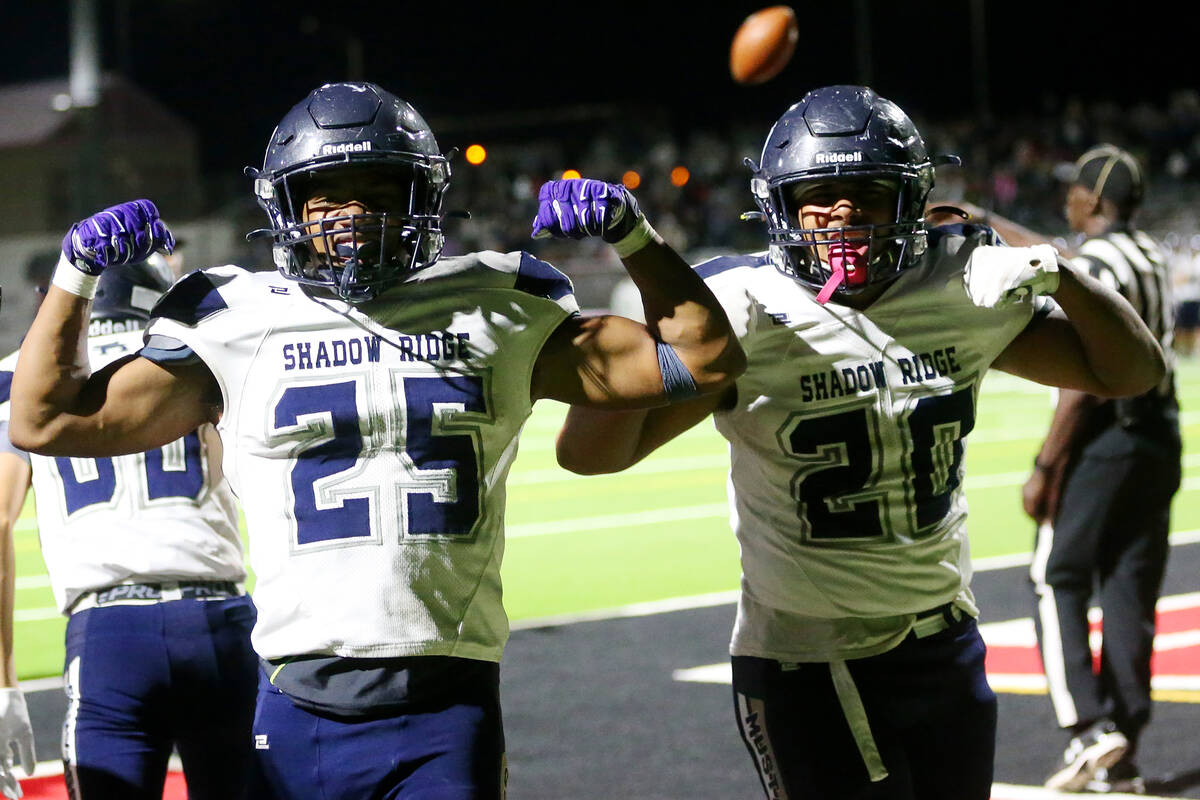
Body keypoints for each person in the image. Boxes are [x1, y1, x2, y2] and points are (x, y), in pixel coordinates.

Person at [7, 81, 744, 799]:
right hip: (298, 704)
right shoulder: (232, 318)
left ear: (423, 200)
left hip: (445, 703)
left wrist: (635, 238)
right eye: (327, 195)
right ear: (286, 205)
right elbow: (44, 421)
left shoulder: (500, 305)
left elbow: (707, 357)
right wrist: (73, 275)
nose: (352, 217)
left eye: (379, 193)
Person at [553, 86, 1165, 800]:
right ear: (779, 204)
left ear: (909, 202)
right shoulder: (747, 305)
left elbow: (1133, 371)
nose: (841, 212)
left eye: (865, 193)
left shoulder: (954, 291)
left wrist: (1058, 269)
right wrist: (669, 333)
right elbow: (592, 453)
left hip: (944, 640)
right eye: (818, 194)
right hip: (808, 660)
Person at [0, 256, 259, 799]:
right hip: (216, 617)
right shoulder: (194, 361)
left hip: (109, 632)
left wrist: (4, 684)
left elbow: (0, 518)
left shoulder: (24, 377)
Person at [984, 144, 1178, 793]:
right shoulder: (1148, 254)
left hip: (1105, 436)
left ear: (1092, 200)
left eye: (1074, 191)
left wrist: (1046, 464)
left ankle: (1090, 730)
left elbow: (1083, 386)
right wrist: (987, 218)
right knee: (1130, 588)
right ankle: (1123, 747)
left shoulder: (1093, 263)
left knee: (1055, 576)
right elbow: (1058, 251)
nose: (1066, 198)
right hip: (1160, 438)